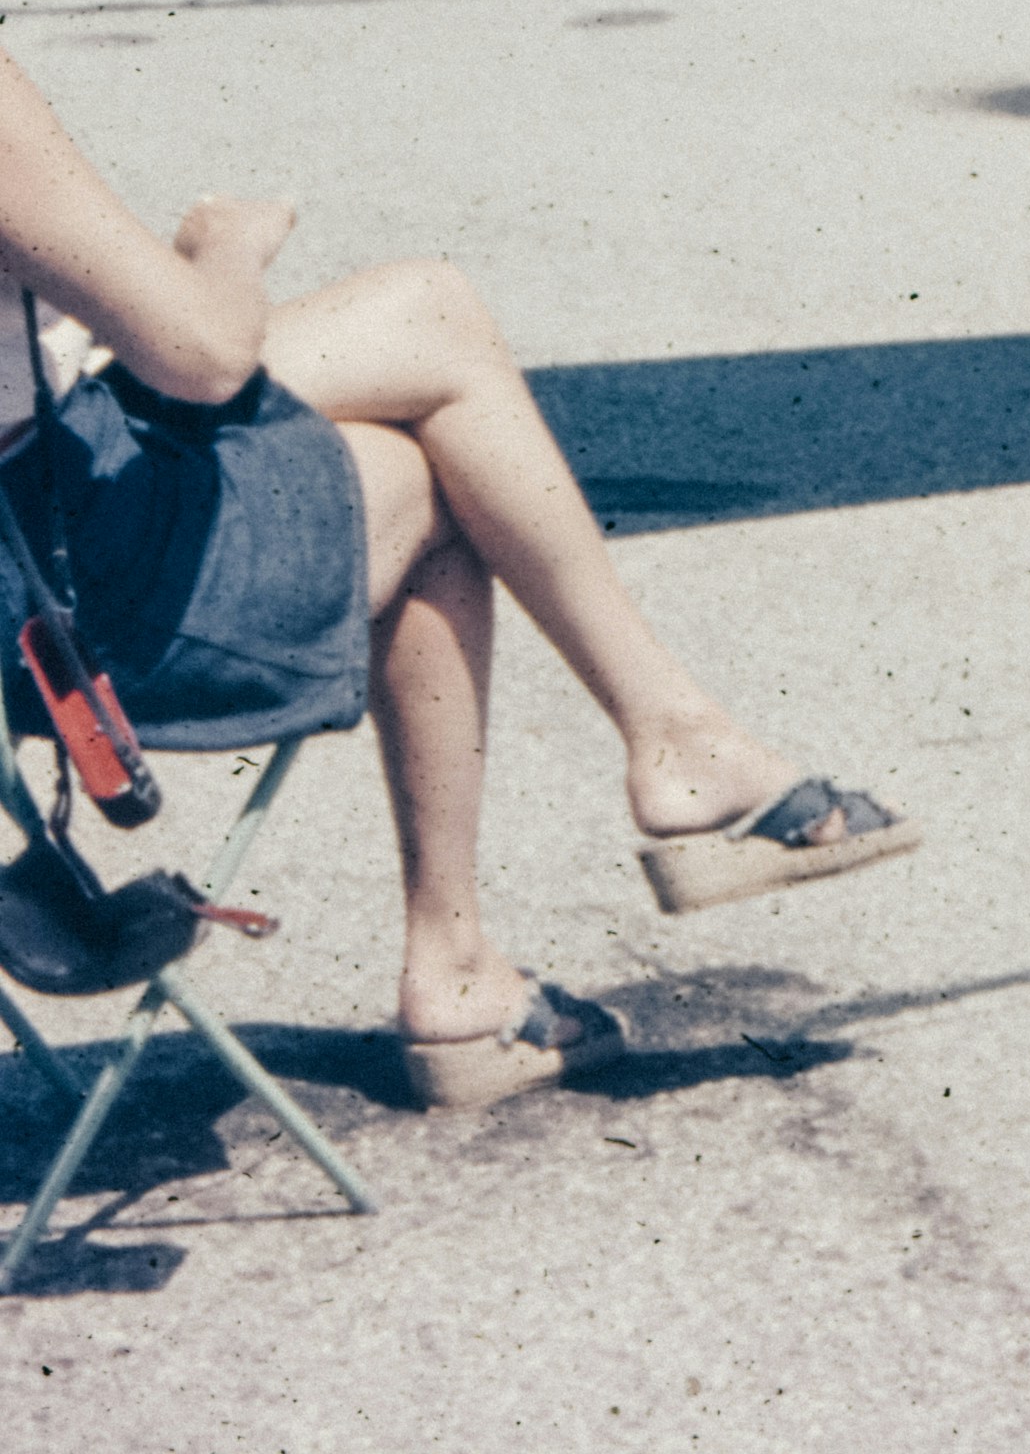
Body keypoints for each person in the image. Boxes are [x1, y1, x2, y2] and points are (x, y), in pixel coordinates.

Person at [0, 68, 917, 1111]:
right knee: (435, 475)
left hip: (41, 521)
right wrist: (226, 248)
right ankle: (484, 938)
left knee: (429, 312)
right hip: (69, 591)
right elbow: (204, 356)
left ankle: (663, 753)